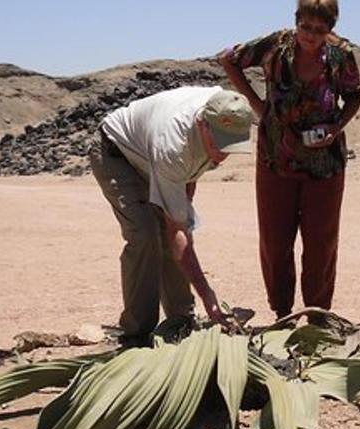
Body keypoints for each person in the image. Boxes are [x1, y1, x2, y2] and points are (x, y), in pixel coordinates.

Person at [219, 0, 360, 321]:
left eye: (320, 29)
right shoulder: (276, 46)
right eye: (306, 27)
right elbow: (228, 58)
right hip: (275, 158)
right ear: (296, 20)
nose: (311, 36)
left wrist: (337, 126)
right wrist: (257, 104)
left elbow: (355, 95)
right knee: (275, 240)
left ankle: (316, 315)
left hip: (324, 164)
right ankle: (282, 312)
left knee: (321, 244)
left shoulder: (341, 55)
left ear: (331, 28)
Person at [93, 86, 252, 347]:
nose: (224, 153)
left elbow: (190, 174)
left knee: (175, 235)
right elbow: (177, 230)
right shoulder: (173, 144)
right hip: (118, 153)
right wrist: (209, 297)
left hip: (154, 159)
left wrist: (182, 206)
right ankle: (136, 335)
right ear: (202, 124)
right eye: (220, 143)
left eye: (231, 144)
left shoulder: (228, 108)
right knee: (146, 235)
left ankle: (181, 322)